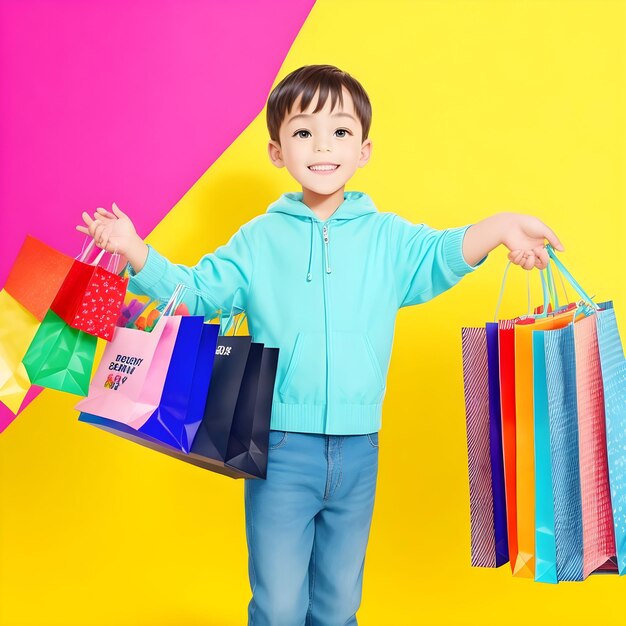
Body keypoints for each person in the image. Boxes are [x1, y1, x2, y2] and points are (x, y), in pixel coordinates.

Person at [77, 64, 563, 626]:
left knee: (338, 605)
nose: (323, 147)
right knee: (279, 604)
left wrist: (502, 225)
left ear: (365, 148)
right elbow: (201, 292)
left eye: (341, 132)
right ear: (277, 150)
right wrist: (138, 254)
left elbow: (444, 252)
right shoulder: (260, 238)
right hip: (281, 448)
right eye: (304, 132)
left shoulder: (388, 237)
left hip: (360, 449)